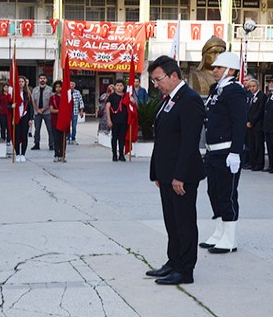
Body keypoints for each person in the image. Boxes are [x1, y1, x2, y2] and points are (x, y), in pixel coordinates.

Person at [145, 55, 206, 285]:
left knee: (184, 221)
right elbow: (162, 140)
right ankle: (173, 261)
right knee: (171, 221)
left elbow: (190, 142)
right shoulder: (168, 99)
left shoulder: (189, 100)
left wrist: (179, 175)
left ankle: (185, 268)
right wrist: (156, 173)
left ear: (173, 76)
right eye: (153, 80)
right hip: (166, 175)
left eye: (158, 79)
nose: (156, 84)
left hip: (182, 176)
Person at [200, 51, 247, 254]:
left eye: (219, 68)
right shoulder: (216, 89)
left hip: (227, 151)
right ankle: (219, 232)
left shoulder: (234, 91)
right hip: (214, 151)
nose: (215, 70)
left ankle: (229, 238)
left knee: (227, 194)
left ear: (231, 70)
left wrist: (235, 151)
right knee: (214, 192)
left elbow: (239, 123)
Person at [9, 76, 34, 162]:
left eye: (22, 81)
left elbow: (31, 107)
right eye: (19, 81)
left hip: (25, 116)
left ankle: (23, 154)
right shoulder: (13, 93)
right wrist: (11, 106)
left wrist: (31, 118)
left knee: (24, 136)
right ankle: (17, 154)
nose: (20, 83)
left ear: (25, 83)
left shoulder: (27, 94)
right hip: (15, 117)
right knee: (16, 136)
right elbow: (7, 105)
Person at [105, 79, 131, 162]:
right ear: (115, 86)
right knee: (114, 138)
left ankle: (121, 155)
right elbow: (107, 107)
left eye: (121, 85)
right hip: (114, 120)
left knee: (122, 138)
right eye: (117, 85)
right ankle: (114, 155)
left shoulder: (126, 96)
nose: (119, 87)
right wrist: (109, 120)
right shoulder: (112, 96)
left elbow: (131, 107)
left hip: (124, 120)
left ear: (124, 87)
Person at [246, 78, 267, 171]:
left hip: (258, 124)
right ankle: (252, 162)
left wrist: (252, 122)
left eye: (254, 86)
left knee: (258, 144)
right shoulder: (250, 96)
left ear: (258, 86)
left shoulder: (262, 96)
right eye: (250, 86)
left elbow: (260, 111)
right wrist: (247, 121)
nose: (252, 88)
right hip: (249, 124)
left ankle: (259, 164)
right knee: (251, 144)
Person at [31, 73, 53, 150]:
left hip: (47, 112)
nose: (42, 80)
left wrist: (43, 109)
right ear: (38, 80)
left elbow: (51, 101)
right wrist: (37, 109)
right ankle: (36, 144)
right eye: (41, 78)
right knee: (37, 130)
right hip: (37, 113)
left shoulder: (50, 90)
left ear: (46, 80)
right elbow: (33, 101)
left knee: (50, 129)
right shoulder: (35, 90)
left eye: (44, 78)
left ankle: (51, 144)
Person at [48, 81, 65, 162]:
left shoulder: (66, 97)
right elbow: (51, 110)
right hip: (55, 120)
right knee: (56, 138)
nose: (58, 88)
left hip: (63, 121)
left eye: (60, 86)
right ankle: (56, 154)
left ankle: (62, 154)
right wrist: (60, 111)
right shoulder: (53, 98)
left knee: (63, 138)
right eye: (56, 87)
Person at [69, 81, 84, 145]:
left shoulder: (77, 92)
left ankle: (73, 138)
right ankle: (67, 138)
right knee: (67, 126)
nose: (71, 86)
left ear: (74, 86)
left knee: (74, 126)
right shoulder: (66, 92)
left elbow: (80, 102)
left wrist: (81, 111)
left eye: (73, 84)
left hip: (74, 112)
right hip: (67, 112)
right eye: (70, 84)